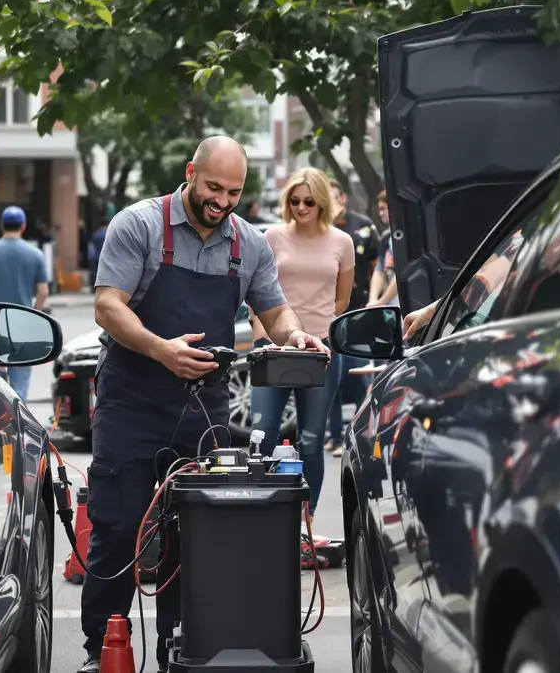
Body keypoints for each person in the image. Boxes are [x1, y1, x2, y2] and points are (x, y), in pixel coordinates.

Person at [81, 136, 328, 673]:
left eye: (233, 192)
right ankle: (102, 648)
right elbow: (106, 306)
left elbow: (275, 309)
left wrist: (295, 337)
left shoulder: (249, 244)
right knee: (118, 526)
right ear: (191, 172)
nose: (222, 200)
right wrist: (159, 349)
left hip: (203, 408)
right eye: (213, 187)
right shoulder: (139, 225)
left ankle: (184, 645)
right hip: (132, 398)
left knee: (193, 532)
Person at [250, 167, 353, 516]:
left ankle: (305, 523)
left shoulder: (342, 242)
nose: (301, 207)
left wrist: (318, 325)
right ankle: (263, 516)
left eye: (309, 201)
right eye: (294, 200)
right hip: (273, 348)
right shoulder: (273, 236)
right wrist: (259, 332)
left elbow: (342, 301)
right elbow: (256, 292)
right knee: (262, 435)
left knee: (311, 439)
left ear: (322, 202)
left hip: (321, 350)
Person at [324, 179, 379, 457]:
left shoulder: (364, 227)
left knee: (360, 377)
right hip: (328, 315)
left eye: (335, 197)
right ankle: (334, 436)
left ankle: (360, 435)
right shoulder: (320, 229)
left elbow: (375, 267)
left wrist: (374, 302)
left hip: (358, 314)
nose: (331, 203)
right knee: (329, 379)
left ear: (343, 198)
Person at [0, 205, 49, 400]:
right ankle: (18, 421)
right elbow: (43, 291)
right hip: (22, 323)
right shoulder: (36, 254)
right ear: (23, 226)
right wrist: (34, 312)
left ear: (1, 225)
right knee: (20, 378)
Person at [367, 190, 400, 309]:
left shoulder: (407, 236)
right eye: (379, 209)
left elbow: (403, 272)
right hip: (394, 301)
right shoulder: (386, 237)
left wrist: (382, 301)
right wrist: (373, 300)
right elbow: (379, 268)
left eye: (383, 208)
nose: (380, 213)